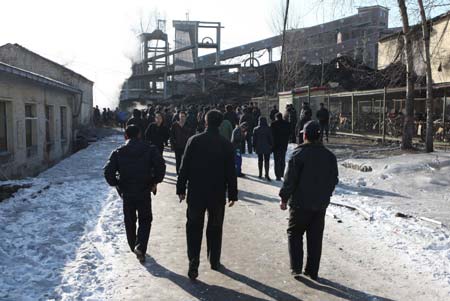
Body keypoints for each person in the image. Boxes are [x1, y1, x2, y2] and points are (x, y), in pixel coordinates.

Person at [177, 110, 238, 280]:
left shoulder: (194, 141)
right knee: (215, 227)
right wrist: (232, 193)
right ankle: (214, 260)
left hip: (196, 193)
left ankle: (193, 262)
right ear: (220, 124)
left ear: (205, 121)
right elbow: (230, 172)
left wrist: (181, 188)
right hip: (217, 194)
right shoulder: (226, 144)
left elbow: (184, 167)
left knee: (194, 228)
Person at [279, 121, 338, 280]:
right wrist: (326, 195)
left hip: (299, 203)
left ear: (304, 135)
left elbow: (290, 180)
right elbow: (334, 180)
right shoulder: (329, 156)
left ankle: (296, 267)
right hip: (320, 205)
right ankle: (312, 271)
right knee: (315, 237)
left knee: (295, 233)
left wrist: (284, 198)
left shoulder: (298, 155)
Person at [104, 125, 166, 263]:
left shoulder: (118, 152)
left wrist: (118, 184)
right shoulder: (150, 149)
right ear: (139, 135)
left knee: (130, 220)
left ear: (125, 136)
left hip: (127, 191)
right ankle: (141, 246)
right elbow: (161, 166)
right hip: (144, 190)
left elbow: (108, 173)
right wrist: (155, 181)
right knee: (145, 219)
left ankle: (134, 246)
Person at [271, 112, 291, 181]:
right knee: (282, 159)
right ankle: (282, 173)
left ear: (276, 117)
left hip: (276, 145)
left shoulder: (273, 124)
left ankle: (278, 176)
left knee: (277, 161)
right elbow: (289, 133)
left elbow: (271, 135)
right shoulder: (287, 124)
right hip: (284, 144)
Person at [253, 116, 273, 181]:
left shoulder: (256, 129)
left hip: (259, 147)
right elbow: (271, 138)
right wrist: (271, 145)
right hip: (267, 147)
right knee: (267, 161)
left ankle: (260, 174)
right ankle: (267, 174)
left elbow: (254, 139)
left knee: (260, 160)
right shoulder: (268, 128)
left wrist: (254, 146)